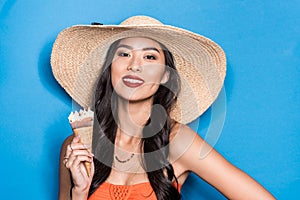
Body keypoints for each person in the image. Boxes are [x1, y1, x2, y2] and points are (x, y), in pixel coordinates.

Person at [51, 16, 275, 200]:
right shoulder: (77, 146)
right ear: (110, 69)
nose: (134, 65)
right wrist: (79, 192)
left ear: (166, 75)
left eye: (149, 56)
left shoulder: (178, 141)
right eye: (124, 54)